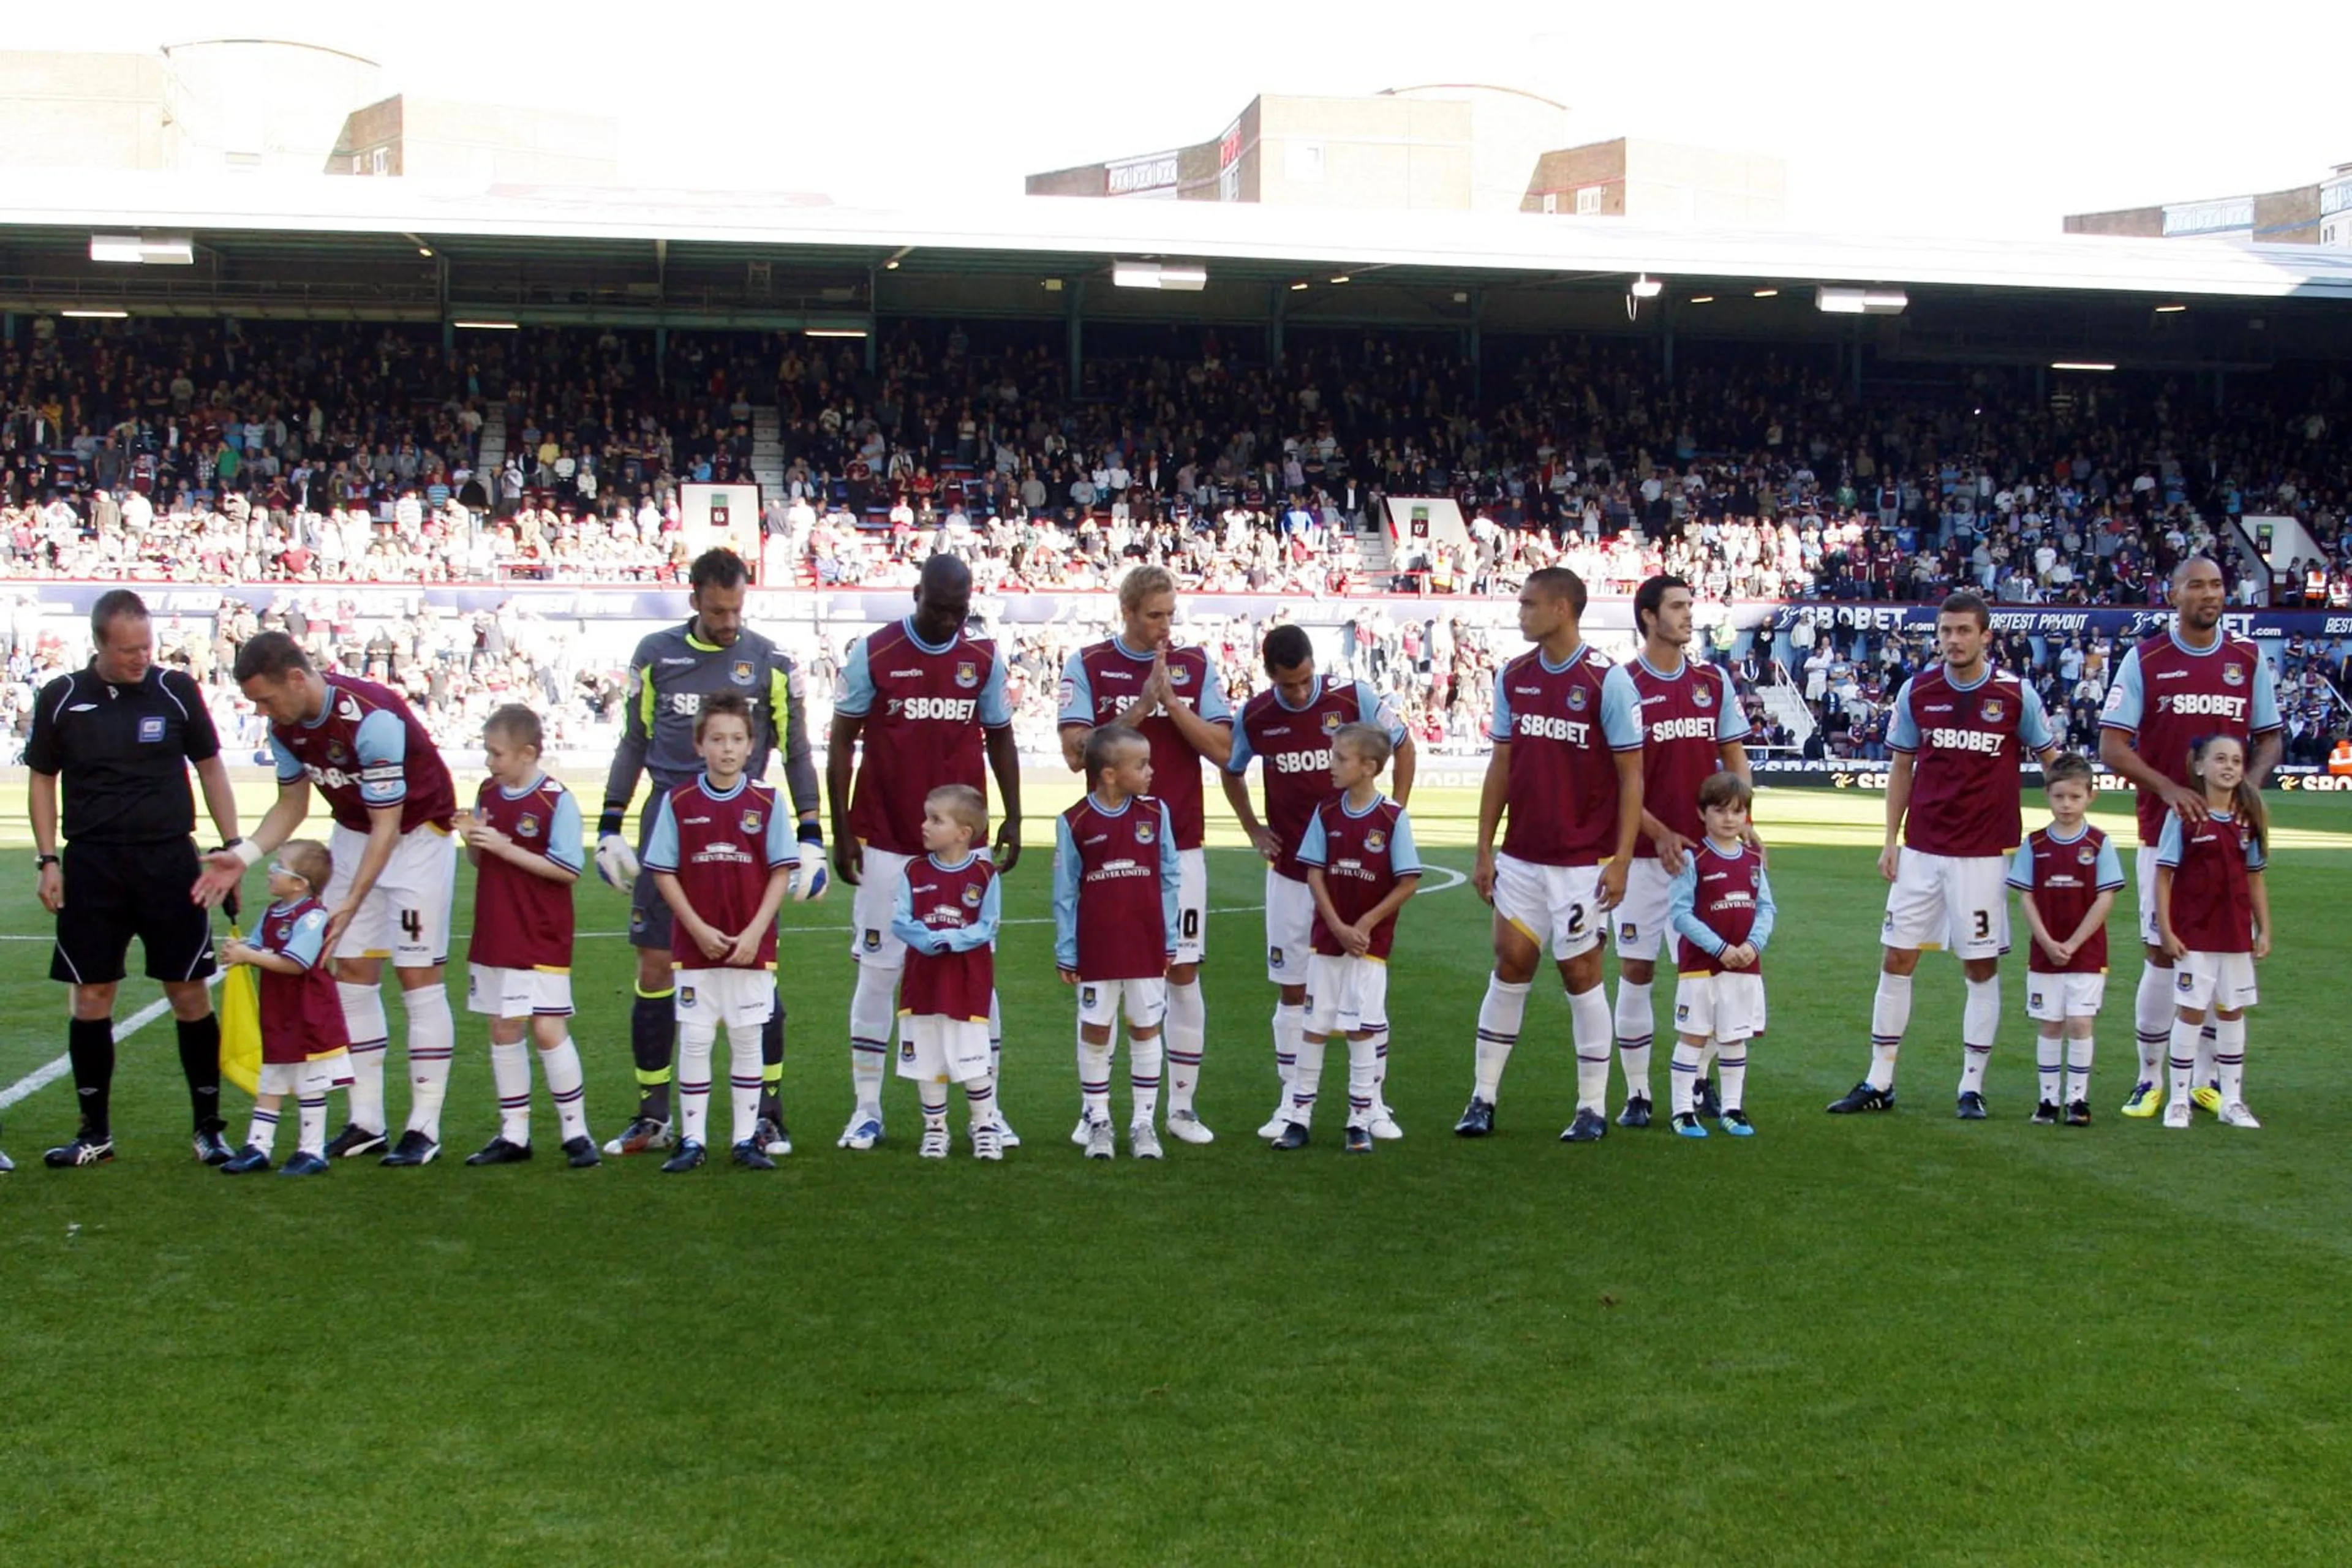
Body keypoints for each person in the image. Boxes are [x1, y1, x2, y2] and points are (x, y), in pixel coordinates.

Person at [194, 630, 461, 1167]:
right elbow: (291, 805)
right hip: (355, 834)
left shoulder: (372, 719)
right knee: (351, 974)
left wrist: (350, 901)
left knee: (417, 976)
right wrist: (242, 856)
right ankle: (366, 1122)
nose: (262, 710)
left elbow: (388, 824)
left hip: (416, 839)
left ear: (296, 678)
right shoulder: (284, 727)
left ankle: (424, 1126)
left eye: (266, 698)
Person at [594, 548, 824, 1159]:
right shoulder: (656, 654)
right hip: (671, 828)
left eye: (738, 608)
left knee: (756, 970)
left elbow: (798, 752)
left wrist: (810, 834)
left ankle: (768, 1114)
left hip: (746, 834)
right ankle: (653, 1114)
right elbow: (634, 741)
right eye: (718, 609)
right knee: (654, 968)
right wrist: (612, 820)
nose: (729, 621)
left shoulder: (770, 661)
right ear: (693, 598)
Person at [28, 589, 243, 1168]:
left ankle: (209, 1128)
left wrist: (231, 849)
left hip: (171, 865)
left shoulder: (176, 690)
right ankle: (94, 1132)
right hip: (93, 866)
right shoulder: (63, 697)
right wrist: (48, 860)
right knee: (92, 995)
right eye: (128, 650)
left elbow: (211, 768)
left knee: (189, 993)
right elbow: (43, 780)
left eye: (146, 646)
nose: (140, 658)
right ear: (98, 645)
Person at [1828, 592, 2060, 1119]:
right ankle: (1879, 1081)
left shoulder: (2015, 696)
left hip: (1983, 855)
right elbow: (1902, 768)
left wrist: (2067, 826)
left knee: (1978, 967)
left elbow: (2052, 761)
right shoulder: (1918, 691)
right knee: (1896, 958)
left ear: (1985, 637)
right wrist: (1892, 838)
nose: (1952, 640)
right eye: (1945, 631)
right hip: (1922, 852)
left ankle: (1971, 1087)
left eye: (1963, 631)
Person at [827, 555, 1022, 1152]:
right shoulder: (876, 652)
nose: (948, 620)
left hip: (965, 850)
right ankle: (867, 1108)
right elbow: (840, 740)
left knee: (975, 977)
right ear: (917, 596)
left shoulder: (983, 658)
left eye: (959, 610)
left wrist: (1013, 816)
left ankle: (987, 1110)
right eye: (939, 608)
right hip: (888, 839)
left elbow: (1000, 737)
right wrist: (842, 828)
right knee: (881, 973)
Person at [1456, 567, 1645, 1143]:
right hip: (1521, 856)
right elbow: (1502, 766)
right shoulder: (1515, 676)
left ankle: (1591, 1105)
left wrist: (1620, 858)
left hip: (1583, 863)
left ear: (1563, 609)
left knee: (1581, 973)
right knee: (1511, 963)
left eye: (1529, 604)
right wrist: (1485, 847)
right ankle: (1482, 1098)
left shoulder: (1606, 680)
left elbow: (1632, 775)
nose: (1521, 613)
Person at [2097, 557, 2282, 1118]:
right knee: (2162, 951)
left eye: (2217, 585)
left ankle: (2203, 1080)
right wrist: (2170, 789)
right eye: (2196, 585)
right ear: (2173, 595)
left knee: (2223, 950)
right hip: (2167, 834)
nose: (2209, 594)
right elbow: (2112, 746)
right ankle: (2148, 1077)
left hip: (2230, 839)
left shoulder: (2247, 658)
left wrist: (2244, 789)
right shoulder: (2146, 658)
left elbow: (2270, 738)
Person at [1220, 624, 1414, 1142]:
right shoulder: (1256, 715)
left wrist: (1393, 814)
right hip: (1291, 872)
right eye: (1289, 686)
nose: (1301, 693)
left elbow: (1405, 745)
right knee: (1293, 989)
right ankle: (1292, 1103)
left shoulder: (1355, 696)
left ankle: (1372, 1104)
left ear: (1314, 664)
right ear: (1271, 677)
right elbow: (1231, 769)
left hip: (1356, 878)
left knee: (1365, 989)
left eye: (1306, 681)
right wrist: (1253, 829)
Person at [1058, 565, 1232, 1144]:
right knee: (1105, 976)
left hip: (1178, 842)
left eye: (1170, 615)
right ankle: (1097, 1113)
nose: (1165, 627)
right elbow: (1076, 753)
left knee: (1181, 971)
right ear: (1127, 612)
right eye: (1154, 615)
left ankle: (1180, 1109)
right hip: (1105, 849)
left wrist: (1173, 705)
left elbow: (1225, 749)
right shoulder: (1086, 664)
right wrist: (1138, 709)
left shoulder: (1197, 666)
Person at [1610, 574, 1752, 1128]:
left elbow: (1734, 756)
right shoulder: (1623, 684)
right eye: (1677, 607)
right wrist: (1657, 832)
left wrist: (1746, 818)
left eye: (1690, 605)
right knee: (1637, 971)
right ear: (1648, 616)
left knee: (1709, 976)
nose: (1688, 615)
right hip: (1645, 858)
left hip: (1705, 860)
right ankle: (1639, 1093)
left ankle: (1697, 1085)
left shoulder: (1711, 680)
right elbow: (1615, 777)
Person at [640, 693, 801, 1173]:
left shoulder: (768, 802)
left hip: (752, 945)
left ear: (752, 745)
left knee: (748, 1038)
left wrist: (754, 932)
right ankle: (692, 1141)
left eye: (736, 739)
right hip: (696, 946)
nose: (727, 749)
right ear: (699, 745)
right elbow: (664, 872)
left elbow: (779, 872)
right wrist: (695, 926)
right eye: (717, 739)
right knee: (694, 1039)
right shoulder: (680, 801)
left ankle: (744, 1140)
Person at [459, 705, 597, 1169]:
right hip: (496, 928)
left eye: (496, 754)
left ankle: (576, 1133)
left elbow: (567, 869)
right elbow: (482, 862)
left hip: (539, 932)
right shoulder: (488, 792)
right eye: (487, 752)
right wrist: (475, 840)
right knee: (502, 1024)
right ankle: (513, 1134)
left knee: (547, 1025)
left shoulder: (556, 801)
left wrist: (505, 846)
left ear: (528, 753)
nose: (489, 762)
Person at [1278, 723, 1423, 1155]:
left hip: (1369, 948)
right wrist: (1338, 925)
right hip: (1327, 942)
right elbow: (1314, 872)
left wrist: (1366, 923)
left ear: (1369, 767)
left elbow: (1408, 880)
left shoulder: (1392, 818)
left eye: (1341, 758)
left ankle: (1358, 1120)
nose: (1332, 765)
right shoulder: (1326, 812)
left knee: (1362, 1031)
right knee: (1314, 1028)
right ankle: (1298, 1118)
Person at [1053, 725, 1180, 1162]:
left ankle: (1144, 1122)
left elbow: (1169, 880)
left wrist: (1169, 936)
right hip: (1097, 946)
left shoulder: (1156, 815)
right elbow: (1066, 891)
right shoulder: (1075, 822)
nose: (1150, 771)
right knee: (1096, 1029)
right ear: (1110, 774)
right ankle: (1098, 1119)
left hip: (1145, 943)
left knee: (1145, 1028)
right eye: (1140, 764)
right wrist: (1067, 949)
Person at [2155, 734, 2270, 1129]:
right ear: (2200, 766)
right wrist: (2167, 930)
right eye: (2220, 759)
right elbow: (2164, 875)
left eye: (2236, 761)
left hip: (2235, 934)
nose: (2229, 767)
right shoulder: (2185, 815)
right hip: (2194, 935)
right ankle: (2178, 1100)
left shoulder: (2247, 820)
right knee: (2190, 1011)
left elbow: (2255, 879)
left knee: (2231, 1010)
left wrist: (2264, 929)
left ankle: (2232, 1100)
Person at [888, 785, 1006, 1161]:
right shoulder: (914, 870)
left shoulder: (985, 874)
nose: (924, 825)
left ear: (963, 833)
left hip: (967, 984)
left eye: (935, 819)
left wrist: (951, 939)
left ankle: (985, 1126)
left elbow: (988, 925)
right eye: (927, 817)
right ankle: (935, 1129)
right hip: (923, 983)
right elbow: (900, 921)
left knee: (973, 1057)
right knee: (927, 1058)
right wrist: (928, 940)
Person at [216, 840, 345, 1177]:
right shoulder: (274, 912)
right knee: (271, 1081)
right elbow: (260, 946)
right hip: (279, 1015)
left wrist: (249, 956)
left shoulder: (313, 917)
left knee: (309, 1083)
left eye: (279, 866)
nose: (271, 872)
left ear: (300, 882)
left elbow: (295, 964)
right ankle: (259, 1146)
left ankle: (312, 1151)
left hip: (308, 1017)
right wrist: (241, 948)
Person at [2007, 753, 2123, 1127]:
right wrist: (2045, 940)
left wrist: (2073, 944)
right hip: (2044, 954)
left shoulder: (2100, 843)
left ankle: (2078, 1100)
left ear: (2091, 796)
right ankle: (2046, 1100)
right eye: (2059, 797)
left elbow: (2105, 898)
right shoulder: (2035, 843)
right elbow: (2025, 895)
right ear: (2048, 796)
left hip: (2086, 953)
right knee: (2050, 1024)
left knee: (2080, 1023)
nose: (2067, 805)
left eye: (2075, 797)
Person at [1664, 772, 1775, 1139]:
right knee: (1694, 1036)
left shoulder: (1754, 861)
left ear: (1747, 816)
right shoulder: (1693, 859)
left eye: (1738, 811)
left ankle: (1732, 1109)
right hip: (1701, 968)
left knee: (1733, 1037)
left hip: (1744, 968)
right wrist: (1721, 949)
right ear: (1702, 814)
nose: (1729, 819)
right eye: (1720, 810)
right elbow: (1680, 914)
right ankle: (1682, 1111)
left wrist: (1751, 947)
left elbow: (1766, 909)